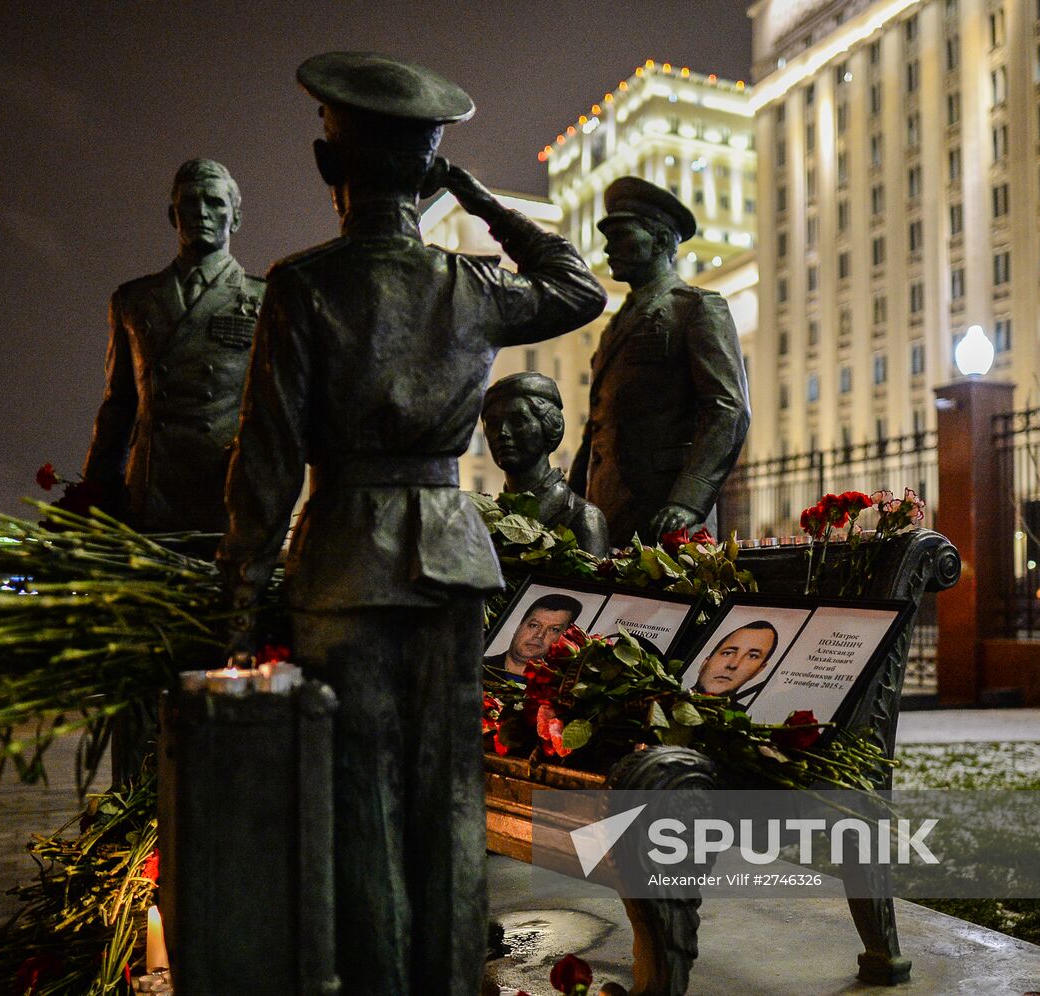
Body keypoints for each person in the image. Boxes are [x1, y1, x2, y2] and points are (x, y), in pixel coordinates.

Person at [218, 52, 605, 996]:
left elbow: (266, 463)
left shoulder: (303, 284)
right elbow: (579, 286)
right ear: (430, 171)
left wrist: (233, 603)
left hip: (346, 560)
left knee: (363, 794)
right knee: (450, 794)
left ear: (327, 167)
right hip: (451, 561)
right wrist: (477, 196)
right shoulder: (468, 284)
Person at [83, 159, 265, 538]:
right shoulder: (133, 300)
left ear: (236, 218)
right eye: (190, 202)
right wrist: (94, 495)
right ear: (173, 215)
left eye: (215, 202)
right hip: (150, 496)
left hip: (226, 497)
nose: (201, 212)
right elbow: (117, 407)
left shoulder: (266, 298)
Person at [568, 176, 751, 546]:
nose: (608, 249)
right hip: (608, 512)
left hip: (668, 517)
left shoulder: (696, 308)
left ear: (663, 240)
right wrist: (574, 502)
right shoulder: (615, 326)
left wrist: (689, 501)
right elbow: (599, 428)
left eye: (620, 235)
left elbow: (728, 408)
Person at [481, 372, 609, 556]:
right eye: (492, 425)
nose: (502, 433)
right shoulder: (486, 519)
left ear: (548, 426)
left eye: (517, 421)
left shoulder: (582, 517)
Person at [484, 592, 584, 677]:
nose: (539, 635)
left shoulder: (557, 687)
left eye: (554, 629)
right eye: (534, 625)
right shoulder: (476, 666)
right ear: (519, 627)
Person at [694, 620, 779, 704]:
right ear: (704, 662)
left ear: (758, 670)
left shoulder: (741, 717)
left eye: (752, 656)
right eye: (727, 653)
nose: (733, 665)